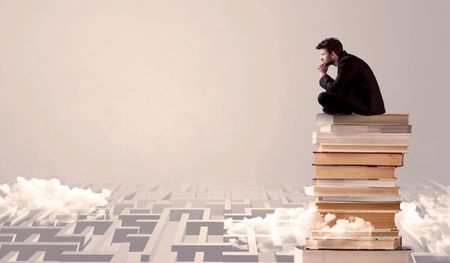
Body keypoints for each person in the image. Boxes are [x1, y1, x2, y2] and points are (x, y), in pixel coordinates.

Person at [316, 37, 385, 115]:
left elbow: (335, 89)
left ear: (332, 54)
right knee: (328, 97)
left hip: (368, 106)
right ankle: (341, 110)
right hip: (364, 103)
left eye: (323, 54)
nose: (321, 58)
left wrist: (323, 74)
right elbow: (338, 88)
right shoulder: (346, 61)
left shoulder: (347, 63)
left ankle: (342, 110)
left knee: (323, 97)